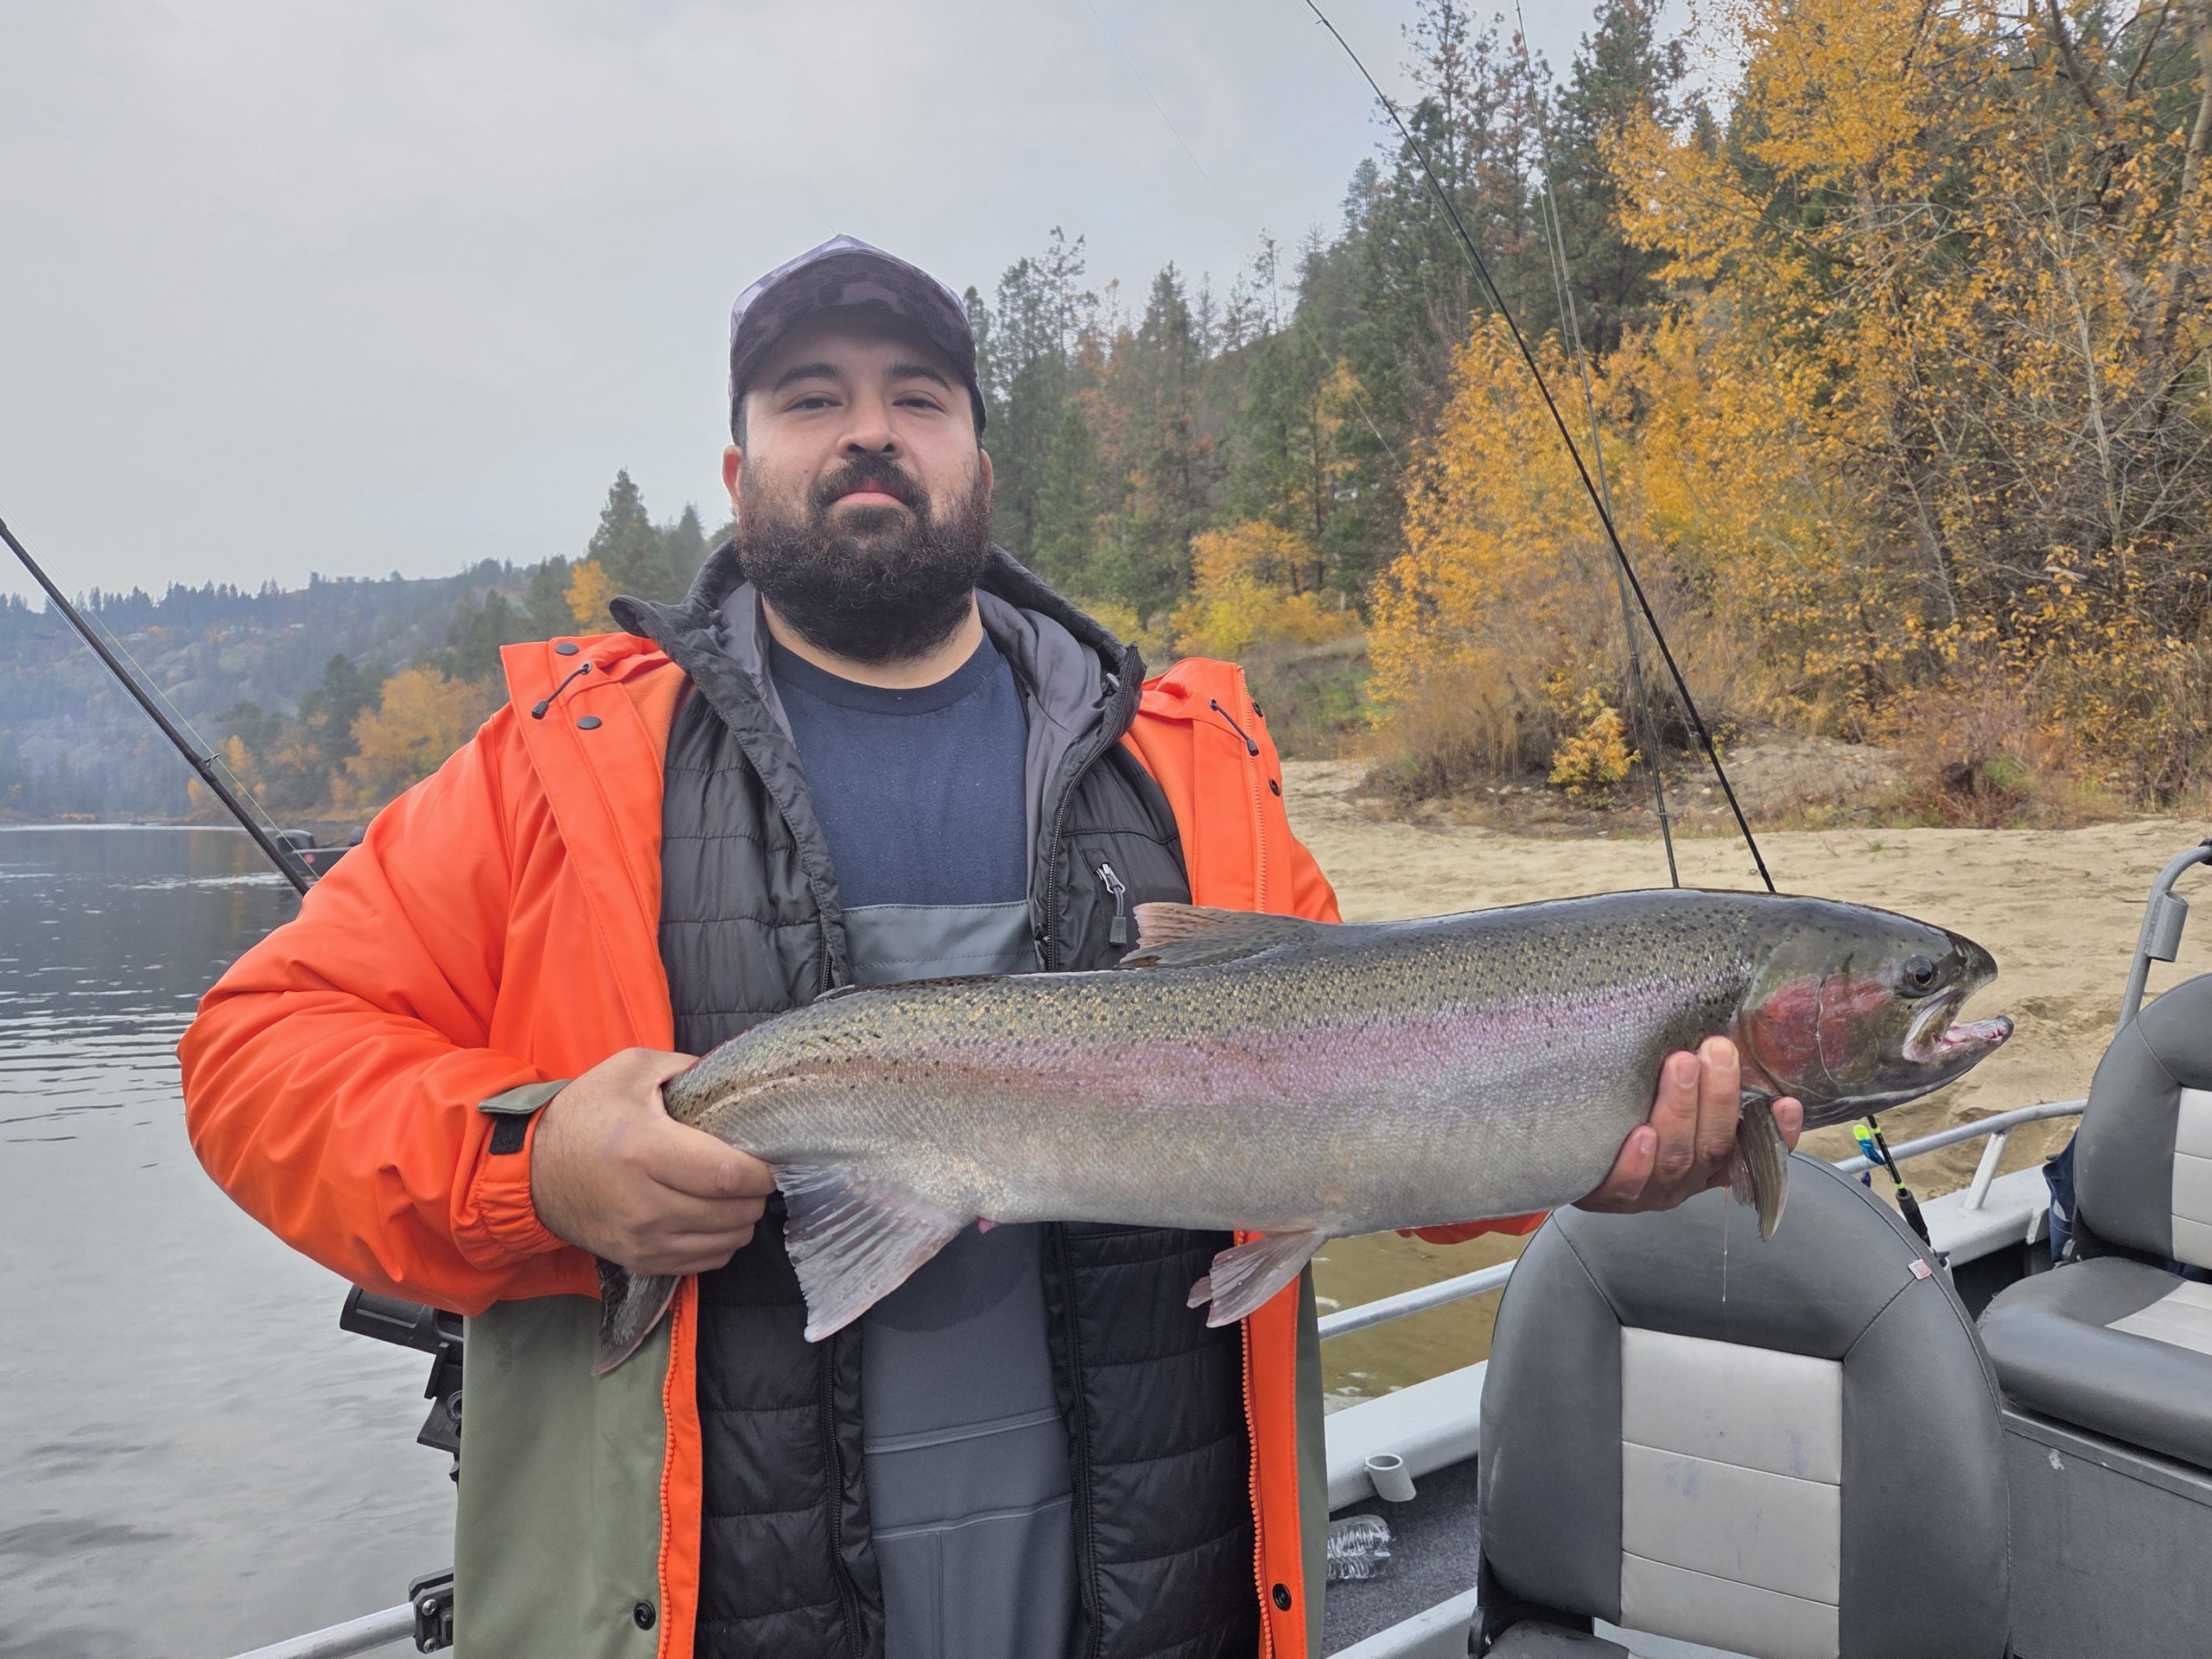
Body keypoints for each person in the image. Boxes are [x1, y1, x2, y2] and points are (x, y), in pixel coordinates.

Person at [180, 234, 1803, 1659]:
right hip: (705, 1607)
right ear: (736, 474)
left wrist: (1599, 1143)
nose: (870, 428)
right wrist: (529, 1176)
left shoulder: (1190, 766)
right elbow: (255, 1054)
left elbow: (1374, 1102)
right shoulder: (557, 763)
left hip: (1147, 1602)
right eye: (810, 395)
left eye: (919, 394)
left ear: (977, 458)